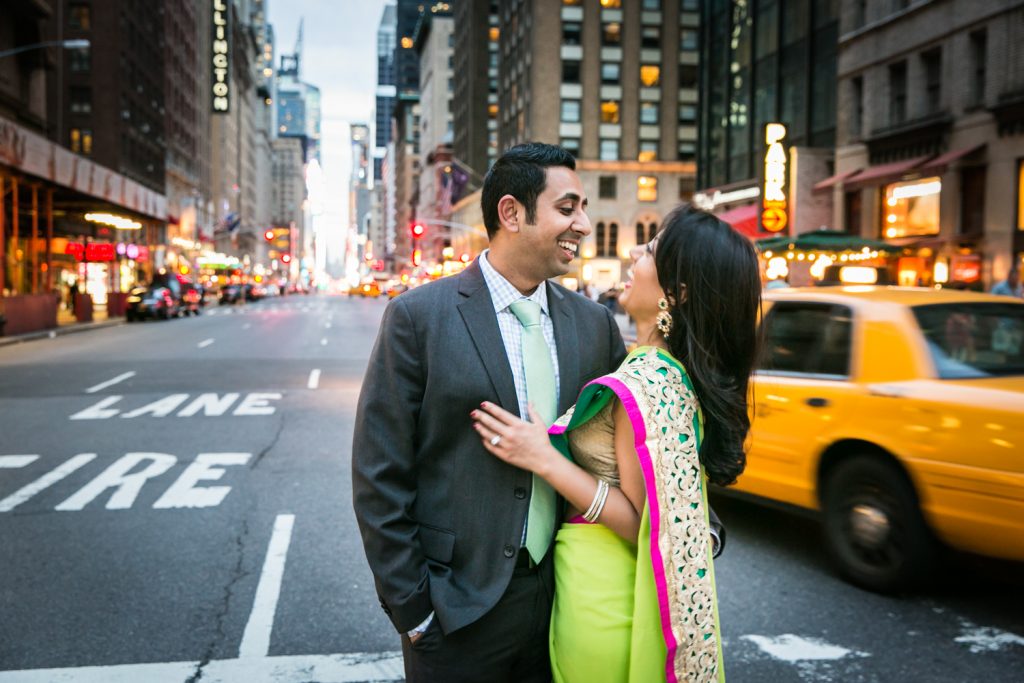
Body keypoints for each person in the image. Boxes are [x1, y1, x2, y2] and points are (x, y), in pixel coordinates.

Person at [351, 142, 628, 682]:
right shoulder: (418, 318)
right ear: (511, 213)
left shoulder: (594, 325)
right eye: (567, 208)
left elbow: (630, 443)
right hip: (455, 613)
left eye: (584, 208)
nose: (585, 224)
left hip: (564, 603)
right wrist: (415, 611)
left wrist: (694, 522)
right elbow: (379, 474)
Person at [472, 205, 762, 682]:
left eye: (648, 251)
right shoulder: (666, 371)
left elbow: (643, 523)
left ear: (678, 291)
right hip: (603, 582)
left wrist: (544, 460)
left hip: (606, 595)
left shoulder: (650, 381)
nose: (632, 252)